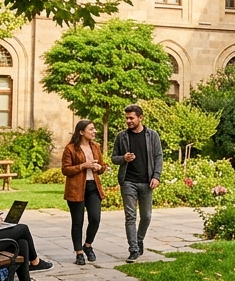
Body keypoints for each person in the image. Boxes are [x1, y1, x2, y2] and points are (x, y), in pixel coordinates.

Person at [113, 104, 163, 262]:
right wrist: (123, 158)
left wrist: (156, 176)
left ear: (140, 118)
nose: (128, 121)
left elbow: (158, 156)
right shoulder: (122, 137)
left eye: (131, 118)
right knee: (130, 217)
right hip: (128, 181)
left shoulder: (152, 135)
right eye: (126, 118)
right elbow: (114, 158)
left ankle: (139, 239)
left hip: (147, 182)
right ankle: (133, 249)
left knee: (146, 216)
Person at [62, 120, 105, 265]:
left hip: (93, 187)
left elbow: (103, 167)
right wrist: (83, 165)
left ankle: (88, 245)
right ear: (81, 132)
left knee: (95, 218)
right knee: (77, 222)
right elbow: (65, 169)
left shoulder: (96, 147)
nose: (94, 132)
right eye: (91, 129)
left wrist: (99, 167)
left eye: (94, 129)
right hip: (76, 188)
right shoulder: (70, 148)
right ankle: (79, 253)